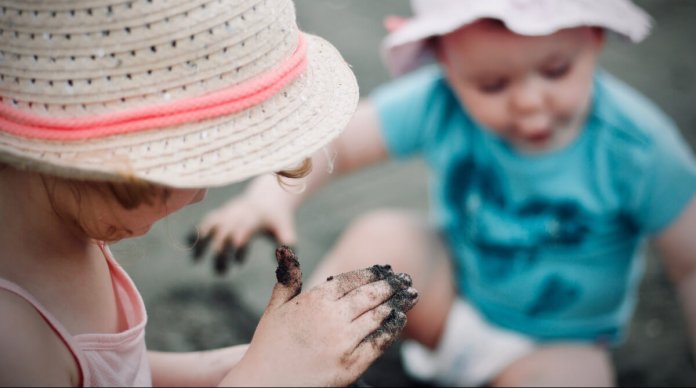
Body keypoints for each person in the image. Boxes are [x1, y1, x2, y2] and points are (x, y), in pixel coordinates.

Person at [192, 0, 696, 386]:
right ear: (446, 64)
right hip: (448, 300)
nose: (528, 101)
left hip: (556, 344)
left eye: (556, 71)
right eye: (492, 84)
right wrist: (273, 195)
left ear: (594, 40)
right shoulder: (441, 101)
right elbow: (338, 144)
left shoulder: (636, 147)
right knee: (386, 234)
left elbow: (690, 260)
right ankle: (309, 349)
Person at [0, 0, 420, 386]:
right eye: (195, 166)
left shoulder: (59, 224)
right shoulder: (13, 345)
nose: (201, 195)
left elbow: (120, 375)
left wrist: (239, 365)